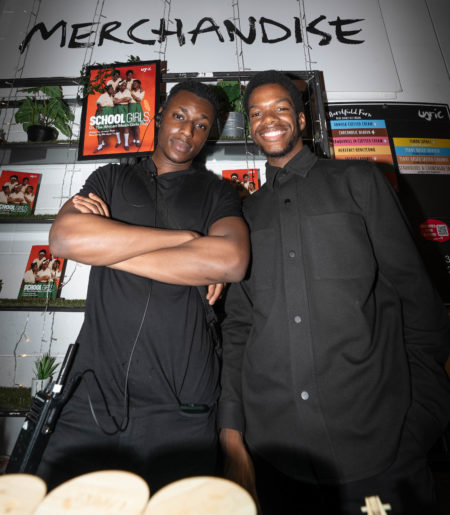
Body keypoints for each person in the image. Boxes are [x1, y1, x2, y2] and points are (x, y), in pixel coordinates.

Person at [218, 70, 450, 515]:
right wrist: (233, 432)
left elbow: (418, 304)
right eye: (257, 113)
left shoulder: (360, 181)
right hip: (276, 456)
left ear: (302, 120)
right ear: (249, 127)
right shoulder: (245, 215)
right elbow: (240, 328)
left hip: (381, 448)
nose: (269, 119)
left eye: (281, 108)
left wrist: (419, 422)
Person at [39, 79, 249, 494]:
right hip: (91, 399)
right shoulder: (109, 178)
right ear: (159, 117)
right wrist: (185, 240)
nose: (188, 131)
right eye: (180, 116)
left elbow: (231, 261)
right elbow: (63, 239)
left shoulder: (217, 192)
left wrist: (107, 248)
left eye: (201, 124)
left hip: (180, 409)